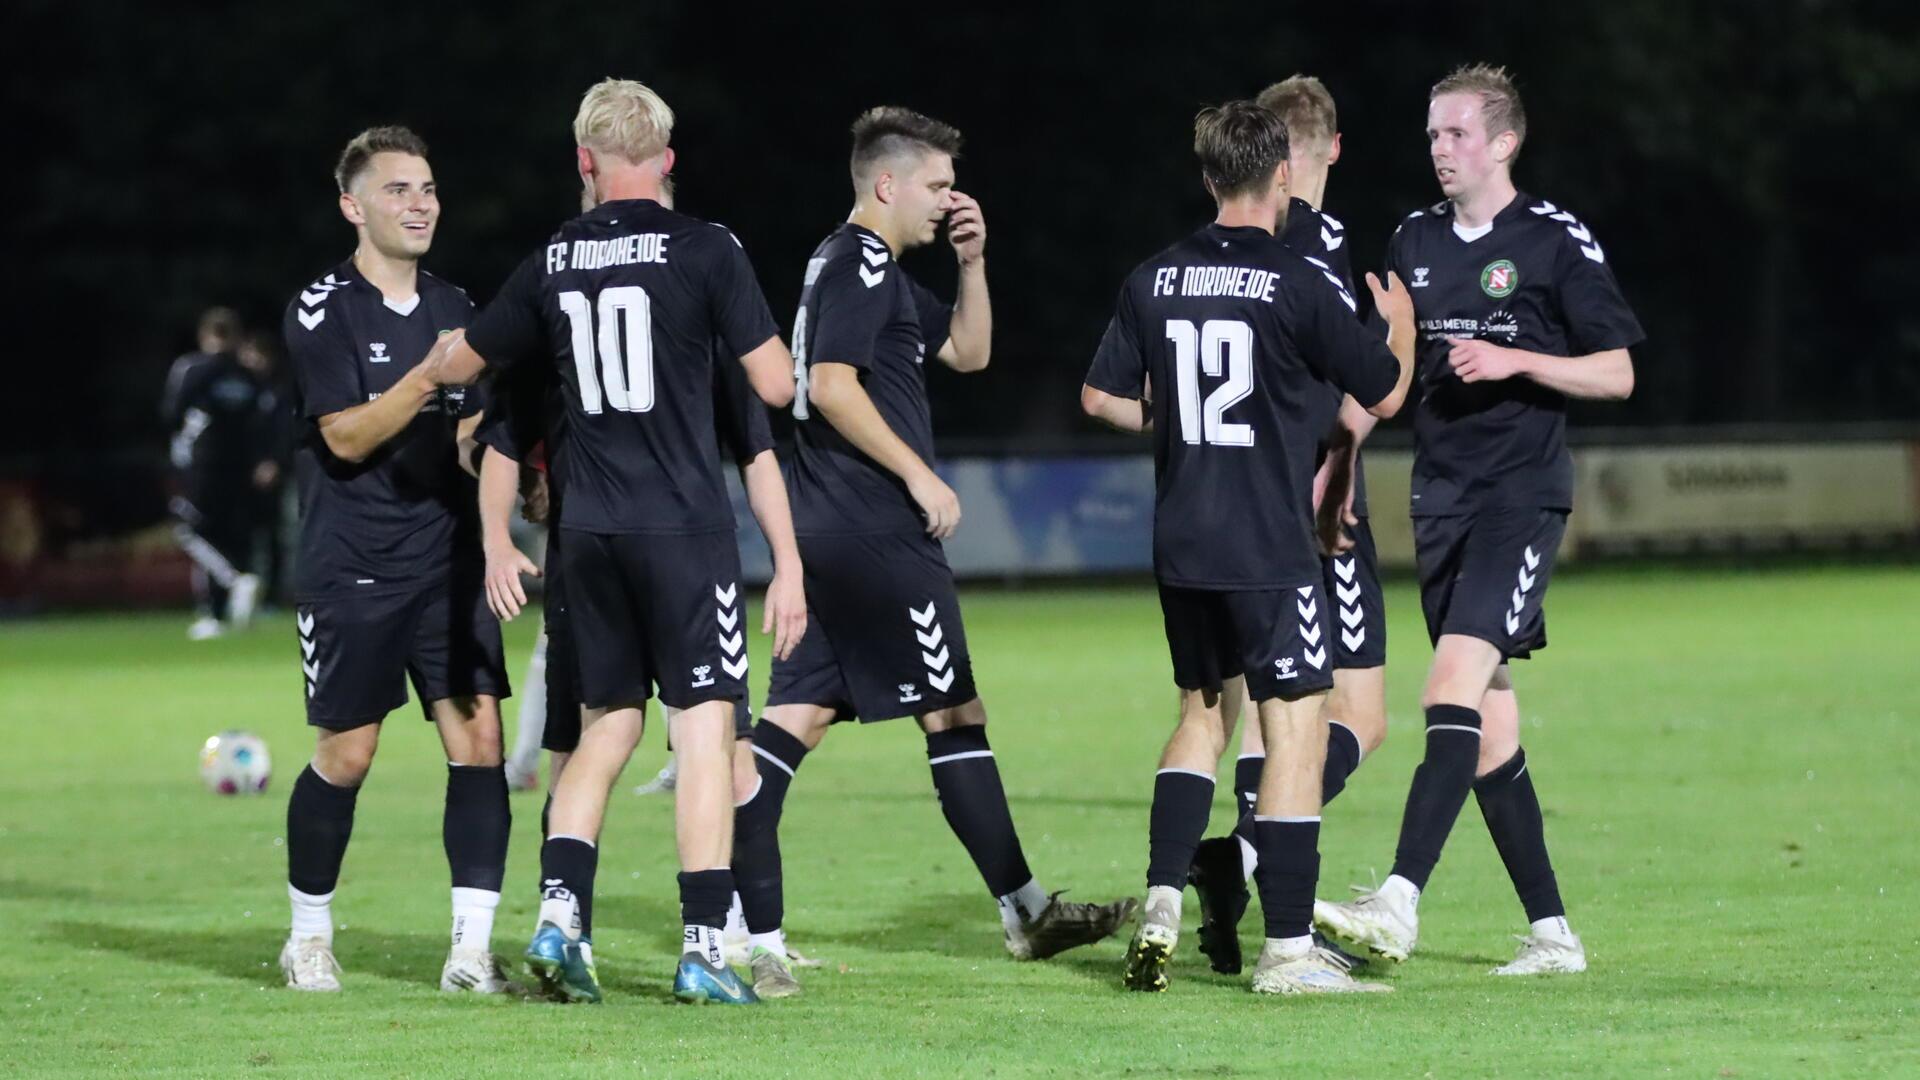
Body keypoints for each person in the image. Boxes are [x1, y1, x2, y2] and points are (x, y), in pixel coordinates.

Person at [737, 106, 1137, 989]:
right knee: (954, 713)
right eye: (938, 185)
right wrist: (919, 476)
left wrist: (973, 261)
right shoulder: (858, 264)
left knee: (792, 724)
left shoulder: (858, 265)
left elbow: (967, 350)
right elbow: (831, 386)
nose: (950, 199)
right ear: (887, 184)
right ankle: (1026, 913)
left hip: (829, 527)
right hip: (876, 531)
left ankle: (738, 928)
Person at [425, 78, 798, 1005]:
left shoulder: (552, 257)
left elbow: (465, 361)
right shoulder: (707, 247)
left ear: (584, 162)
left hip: (585, 536)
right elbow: (775, 386)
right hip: (682, 532)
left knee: (607, 727)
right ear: (666, 158)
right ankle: (705, 949)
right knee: (704, 730)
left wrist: (443, 362)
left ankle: (559, 921)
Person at [1312, 64, 1643, 976]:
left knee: (1447, 690)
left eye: (1457, 133)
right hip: (1440, 502)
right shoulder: (1412, 240)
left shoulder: (1552, 239)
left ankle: (1398, 901)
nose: (1439, 149)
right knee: (1489, 731)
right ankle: (1554, 936)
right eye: (1432, 134)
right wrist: (1342, 452)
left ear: (1505, 143)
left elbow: (1617, 371)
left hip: (1519, 500)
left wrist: (1517, 360)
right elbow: (1388, 367)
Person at [1080, 99, 1414, 995]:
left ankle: (1162, 897)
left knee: (1201, 716)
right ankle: (1288, 952)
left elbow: (1099, 398)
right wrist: (1404, 328)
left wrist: (1178, 422)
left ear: (1207, 177)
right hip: (1269, 541)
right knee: (1296, 727)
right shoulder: (1297, 280)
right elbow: (1382, 391)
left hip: (1182, 538)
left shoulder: (1153, 277)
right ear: (1282, 177)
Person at [276, 126, 514, 995]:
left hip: (447, 564)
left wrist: (513, 481)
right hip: (353, 564)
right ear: (353, 207)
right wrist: (424, 379)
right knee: (349, 753)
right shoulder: (321, 308)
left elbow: (468, 433)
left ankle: (469, 953)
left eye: (428, 188)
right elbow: (344, 437)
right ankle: (308, 937)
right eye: (398, 190)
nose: (420, 204)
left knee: (479, 743)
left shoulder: (458, 305)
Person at [1187, 75, 1391, 976]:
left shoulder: (1220, 250)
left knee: (1262, 715)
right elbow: (1359, 387)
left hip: (1223, 506)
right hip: (1313, 503)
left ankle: (1244, 876)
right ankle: (1253, 869)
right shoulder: (1315, 239)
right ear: (1332, 147)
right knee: (1349, 715)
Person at [162, 306, 267, 638]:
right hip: (243, 468)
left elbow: (172, 413)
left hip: (203, 464)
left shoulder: (193, 368)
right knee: (231, 535)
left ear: (205, 335)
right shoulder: (249, 374)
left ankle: (233, 582)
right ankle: (217, 614)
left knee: (190, 530)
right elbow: (262, 421)